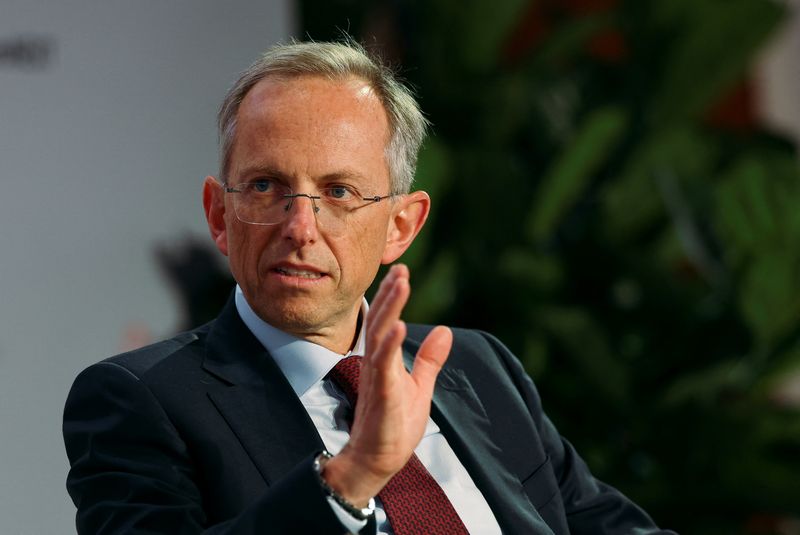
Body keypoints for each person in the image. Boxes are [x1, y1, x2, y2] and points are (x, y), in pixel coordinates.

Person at [63, 40, 675, 534]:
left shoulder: (479, 367)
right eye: (266, 187)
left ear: (399, 226)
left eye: (338, 192)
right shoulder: (140, 400)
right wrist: (352, 477)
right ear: (220, 216)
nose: (300, 228)